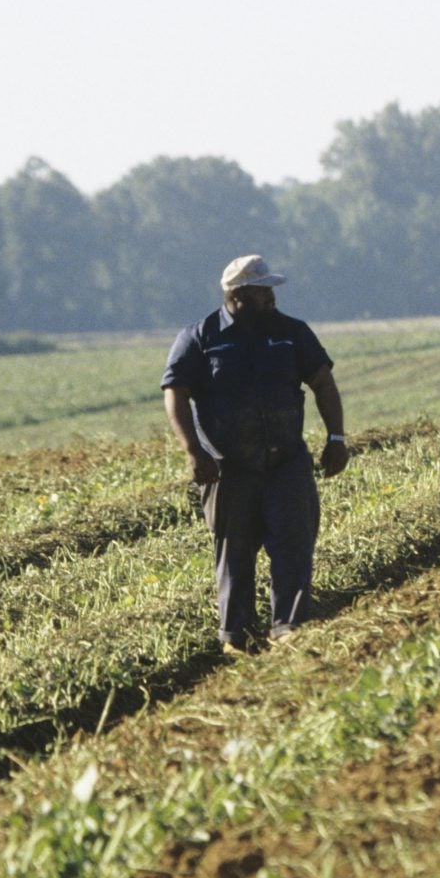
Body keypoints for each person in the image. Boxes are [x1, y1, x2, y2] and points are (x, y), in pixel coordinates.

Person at [162, 255, 348, 655]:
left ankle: (290, 628)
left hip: (287, 462)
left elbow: (323, 384)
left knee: (294, 545)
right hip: (228, 469)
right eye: (262, 290)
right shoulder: (200, 337)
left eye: (270, 289)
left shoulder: (292, 333)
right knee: (234, 553)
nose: (270, 296)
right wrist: (194, 451)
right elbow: (174, 395)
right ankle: (237, 638)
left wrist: (336, 437)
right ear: (236, 294)